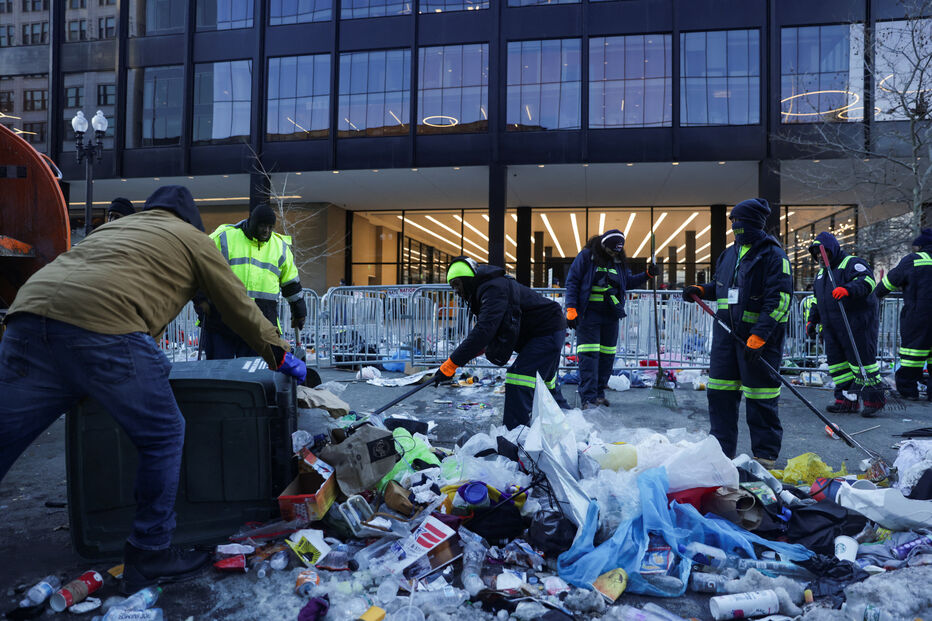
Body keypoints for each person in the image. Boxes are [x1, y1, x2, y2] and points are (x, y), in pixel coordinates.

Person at [0, 186, 306, 594]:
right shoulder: (195, 239)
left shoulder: (117, 230)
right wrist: (282, 355)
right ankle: (149, 551)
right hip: (106, 327)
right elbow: (239, 306)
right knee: (164, 431)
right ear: (192, 221)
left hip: (27, 317)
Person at [683, 198, 793, 467]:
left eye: (740, 222)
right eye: (733, 222)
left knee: (761, 396)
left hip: (757, 339)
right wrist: (701, 291)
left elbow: (780, 300)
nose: (736, 227)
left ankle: (765, 455)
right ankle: (720, 452)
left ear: (755, 223)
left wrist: (760, 335)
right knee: (720, 393)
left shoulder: (773, 256)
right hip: (724, 336)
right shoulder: (729, 254)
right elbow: (722, 287)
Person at [434, 256, 567, 429]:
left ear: (467, 280)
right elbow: (491, 332)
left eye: (457, 284)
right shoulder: (488, 289)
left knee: (518, 378)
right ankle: (569, 422)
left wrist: (450, 365)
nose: (456, 291)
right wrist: (473, 352)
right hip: (546, 330)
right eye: (452, 287)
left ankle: (515, 437)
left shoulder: (493, 289)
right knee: (545, 383)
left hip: (546, 331)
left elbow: (484, 331)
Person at [200, 204, 307, 360]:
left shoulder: (279, 247)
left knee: (254, 374)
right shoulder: (224, 237)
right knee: (220, 373)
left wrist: (299, 311)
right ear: (252, 222)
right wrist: (202, 301)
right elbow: (198, 267)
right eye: (263, 226)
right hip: (222, 320)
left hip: (260, 324)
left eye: (270, 227)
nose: (266, 231)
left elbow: (291, 283)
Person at [565, 229, 657, 409]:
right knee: (589, 356)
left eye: (616, 251)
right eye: (610, 251)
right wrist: (571, 308)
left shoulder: (619, 260)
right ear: (602, 245)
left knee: (607, 357)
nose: (613, 254)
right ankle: (588, 397)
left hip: (610, 314)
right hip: (589, 314)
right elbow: (573, 281)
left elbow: (627, 282)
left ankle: (599, 394)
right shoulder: (586, 256)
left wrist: (648, 274)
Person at [806, 232, 884, 416]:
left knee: (863, 364)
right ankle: (846, 400)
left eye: (821, 252)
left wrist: (847, 289)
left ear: (831, 250)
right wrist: (812, 320)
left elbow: (867, 281)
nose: (819, 257)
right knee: (838, 366)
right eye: (815, 254)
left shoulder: (851, 263)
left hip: (856, 324)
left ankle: (874, 399)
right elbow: (817, 301)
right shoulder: (821, 275)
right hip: (832, 327)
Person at [874, 227, 932, 400]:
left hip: (918, 316)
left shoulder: (913, 260)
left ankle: (908, 391)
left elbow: (889, 283)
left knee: (911, 356)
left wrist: (875, 296)